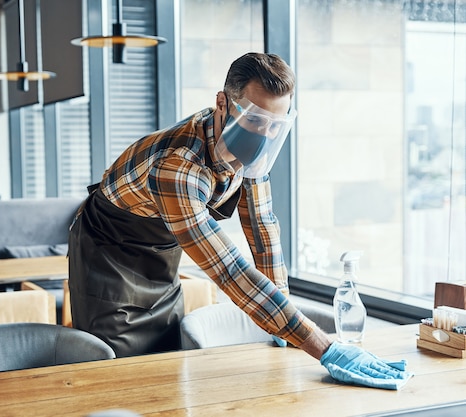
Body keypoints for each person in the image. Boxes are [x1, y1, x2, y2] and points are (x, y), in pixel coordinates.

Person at [68, 52, 412, 390]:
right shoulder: (177, 167)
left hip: (160, 255)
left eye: (275, 125)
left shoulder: (253, 148)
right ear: (223, 103)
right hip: (109, 257)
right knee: (124, 379)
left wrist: (285, 328)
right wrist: (325, 347)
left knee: (168, 368)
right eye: (255, 119)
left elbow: (263, 229)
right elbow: (229, 271)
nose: (264, 134)